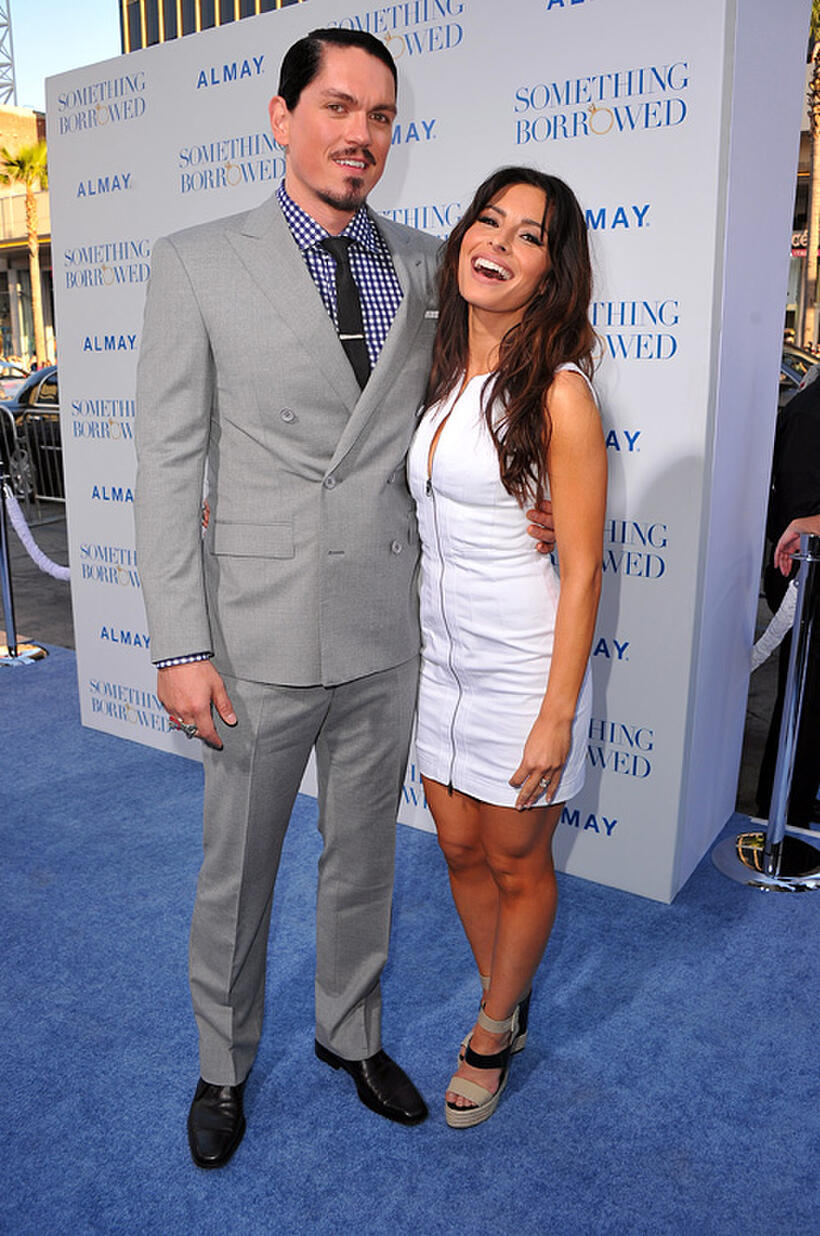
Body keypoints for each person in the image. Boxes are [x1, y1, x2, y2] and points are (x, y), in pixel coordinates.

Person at [136, 27, 557, 1167]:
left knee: (363, 853)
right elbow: (169, 466)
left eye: (379, 116)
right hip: (257, 630)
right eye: (335, 108)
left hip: (386, 621)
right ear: (281, 119)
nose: (359, 134)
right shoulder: (195, 260)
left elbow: (508, 383)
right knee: (240, 871)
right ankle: (223, 1066)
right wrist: (179, 642)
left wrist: (548, 488)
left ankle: (350, 1032)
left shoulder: (432, 264)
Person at [407, 167, 606, 1127]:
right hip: (439, 662)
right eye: (488, 220)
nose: (499, 243)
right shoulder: (443, 374)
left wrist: (556, 716)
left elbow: (582, 569)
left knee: (517, 860)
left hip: (525, 670)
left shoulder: (562, 395)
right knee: (455, 846)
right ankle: (507, 991)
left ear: (551, 272)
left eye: (530, 236)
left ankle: (490, 1030)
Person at [756, 373, 820, 826]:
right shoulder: (808, 415)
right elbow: (799, 519)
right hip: (805, 583)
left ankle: (796, 801)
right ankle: (781, 811)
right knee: (803, 701)